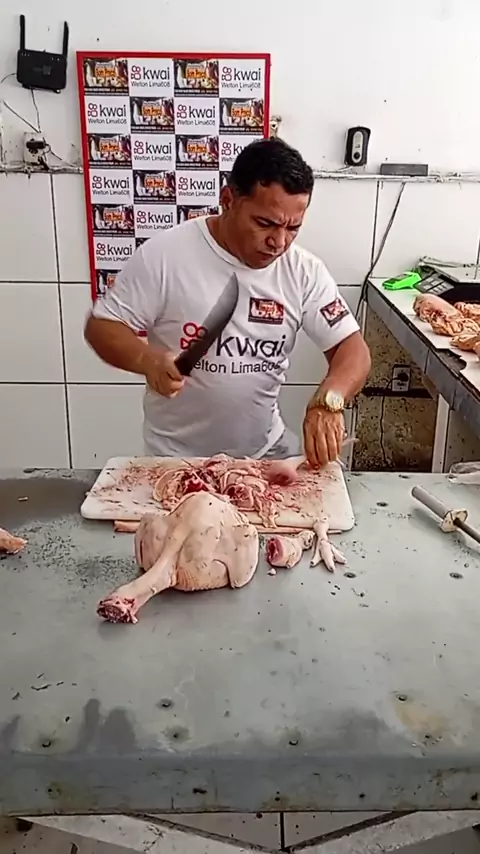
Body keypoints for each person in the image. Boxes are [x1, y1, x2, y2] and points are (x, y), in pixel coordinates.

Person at [85, 138, 371, 467]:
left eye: (293, 228)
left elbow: (353, 349)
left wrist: (331, 399)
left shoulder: (303, 270)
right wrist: (147, 359)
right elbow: (102, 327)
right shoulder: (165, 257)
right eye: (264, 223)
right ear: (228, 200)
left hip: (265, 453)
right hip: (176, 459)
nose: (279, 242)